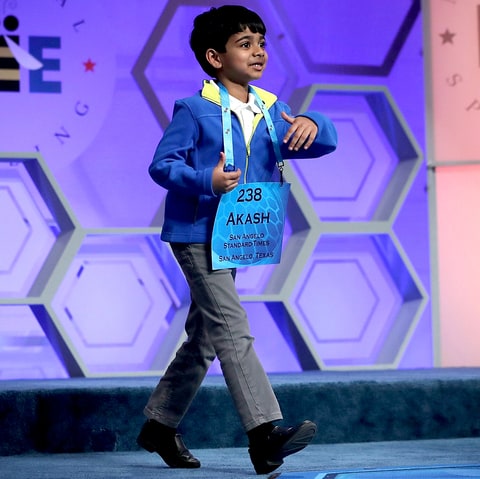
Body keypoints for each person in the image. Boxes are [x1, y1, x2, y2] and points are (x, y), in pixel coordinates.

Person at [137, 5, 337, 475]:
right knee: (231, 326)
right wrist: (205, 178)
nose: (258, 52)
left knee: (206, 336)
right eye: (244, 44)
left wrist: (312, 122)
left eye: (261, 43)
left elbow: (318, 143)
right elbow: (161, 166)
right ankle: (264, 434)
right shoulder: (195, 109)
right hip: (196, 232)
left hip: (237, 235)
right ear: (214, 57)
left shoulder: (270, 109)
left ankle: (160, 425)